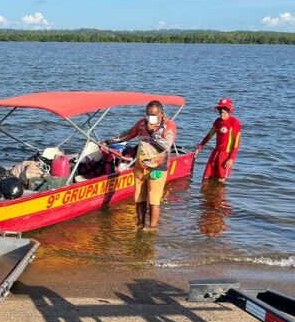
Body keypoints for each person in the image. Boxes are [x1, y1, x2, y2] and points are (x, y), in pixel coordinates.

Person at [101, 100, 176, 230]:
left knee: (154, 201)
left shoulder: (169, 126)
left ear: (161, 114)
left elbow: (166, 146)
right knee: (139, 199)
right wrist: (107, 141)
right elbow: (127, 135)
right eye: (147, 114)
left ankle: (152, 228)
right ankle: (140, 225)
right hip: (140, 167)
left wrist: (152, 132)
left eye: (153, 114)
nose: (149, 117)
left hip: (157, 168)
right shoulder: (142, 123)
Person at [192, 97, 241, 184]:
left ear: (228, 110)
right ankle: (205, 196)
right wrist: (198, 148)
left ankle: (220, 196)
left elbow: (236, 143)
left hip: (226, 155)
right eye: (220, 109)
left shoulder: (234, 122)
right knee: (206, 177)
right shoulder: (217, 122)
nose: (222, 111)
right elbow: (209, 136)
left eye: (224, 109)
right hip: (215, 153)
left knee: (220, 180)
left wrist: (231, 159)